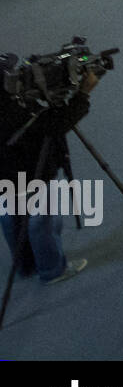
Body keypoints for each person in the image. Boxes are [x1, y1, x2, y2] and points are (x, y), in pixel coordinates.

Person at [0, 58, 97, 284]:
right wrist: (82, 95)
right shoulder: (12, 109)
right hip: (30, 171)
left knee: (9, 214)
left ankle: (24, 265)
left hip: (5, 178)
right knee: (41, 220)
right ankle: (52, 269)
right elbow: (55, 125)